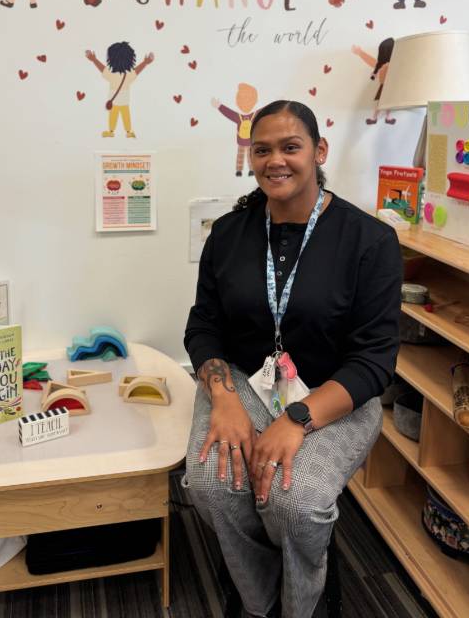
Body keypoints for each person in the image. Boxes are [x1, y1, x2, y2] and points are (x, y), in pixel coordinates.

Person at [183, 100, 402, 618]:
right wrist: (224, 397)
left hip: (335, 392)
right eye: (262, 150)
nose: (275, 160)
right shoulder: (229, 233)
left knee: (295, 502)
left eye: (290, 147)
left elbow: (374, 360)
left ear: (319, 151)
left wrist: (297, 419)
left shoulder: (370, 240)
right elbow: (203, 327)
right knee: (213, 483)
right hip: (242, 380)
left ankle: (304, 599)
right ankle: (257, 597)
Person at [85, 42, 154, 138]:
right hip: (125, 101)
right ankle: (129, 132)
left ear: (111, 59)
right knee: (126, 116)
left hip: (114, 102)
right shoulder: (128, 76)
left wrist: (94, 60)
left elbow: (102, 69)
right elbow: (137, 71)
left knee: (113, 117)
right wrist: (145, 62)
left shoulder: (111, 75)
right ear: (130, 59)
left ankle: (111, 131)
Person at [351, 38, 395, 125]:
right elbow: (372, 62)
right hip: (385, 85)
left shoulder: (392, 64)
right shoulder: (384, 64)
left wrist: (360, 53)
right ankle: (377, 117)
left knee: (386, 102)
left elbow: (373, 62)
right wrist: (360, 53)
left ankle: (385, 117)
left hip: (389, 85)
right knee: (382, 102)